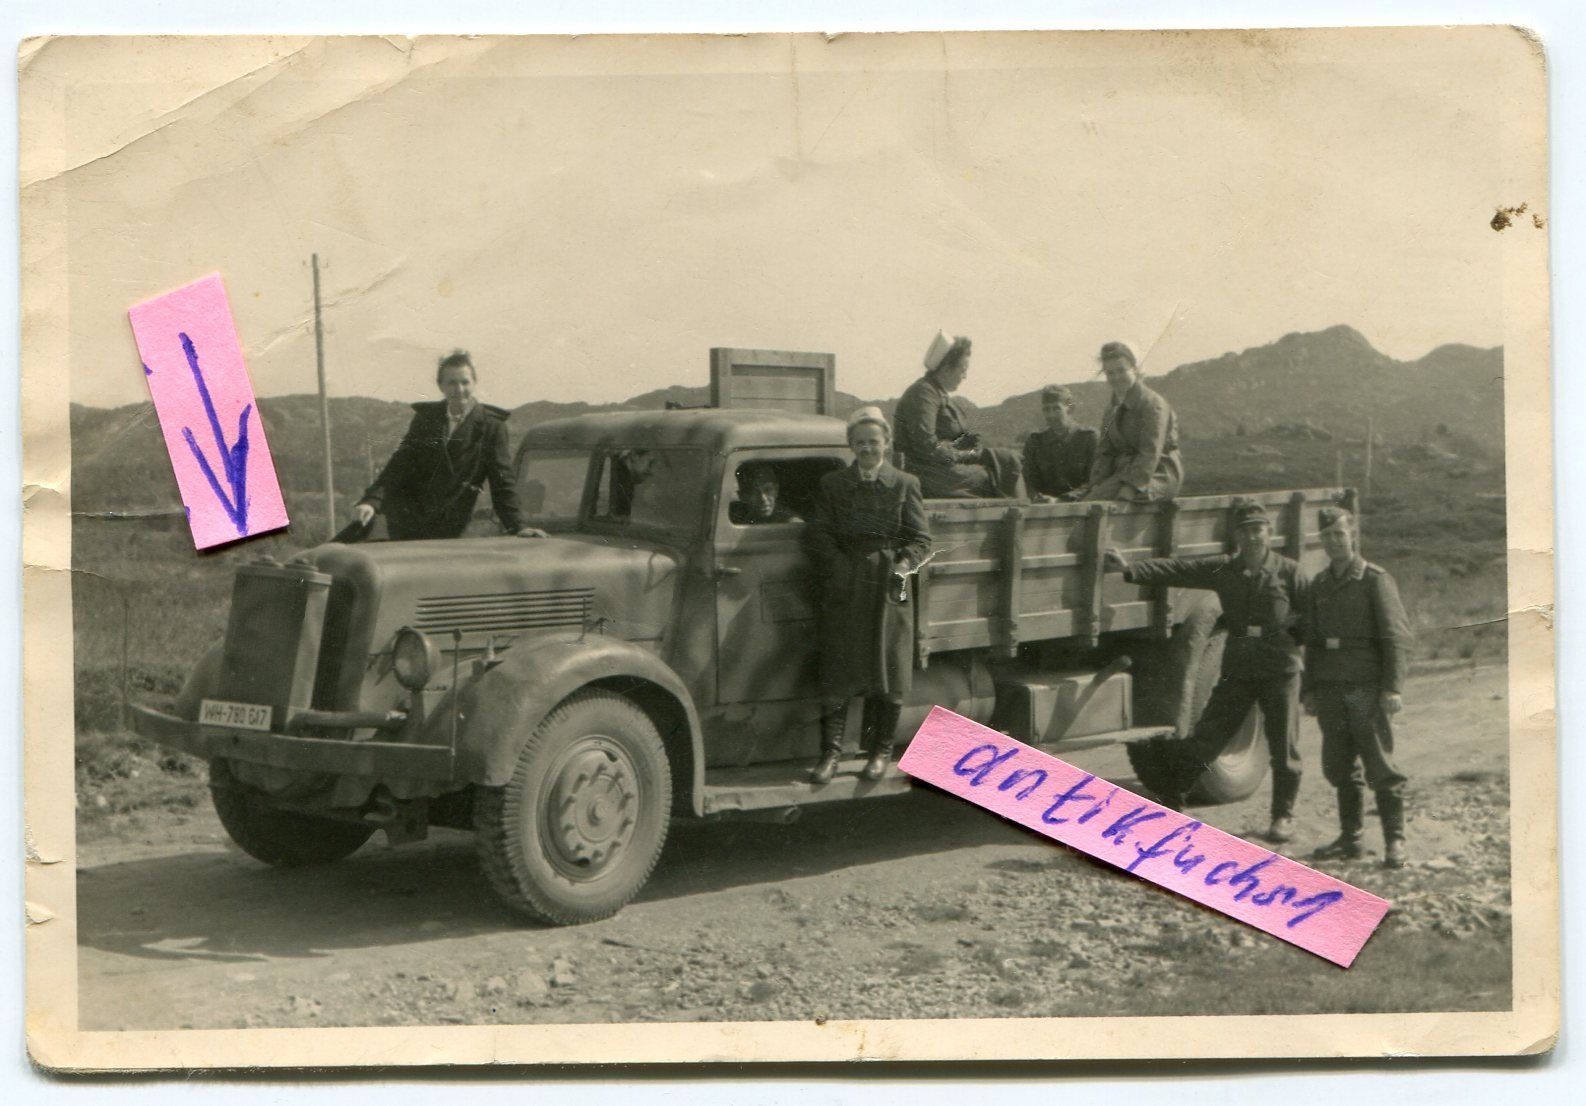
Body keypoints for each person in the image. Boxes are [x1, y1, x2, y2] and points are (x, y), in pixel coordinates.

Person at [1104, 498, 1307, 842]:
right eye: (1245, 531)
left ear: (1269, 532)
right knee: (1208, 737)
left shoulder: (1290, 572)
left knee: (1283, 745)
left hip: (1279, 669)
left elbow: (1310, 619)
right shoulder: (1226, 569)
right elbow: (1179, 570)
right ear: (1237, 536)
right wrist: (1130, 569)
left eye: (1258, 529)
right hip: (1239, 668)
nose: (1252, 537)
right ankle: (1172, 801)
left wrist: (1287, 647)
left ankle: (1282, 816)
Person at [803, 406, 931, 784]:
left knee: (887, 665)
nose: (867, 448)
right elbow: (818, 532)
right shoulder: (833, 484)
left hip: (890, 585)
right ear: (851, 446)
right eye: (860, 442)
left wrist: (903, 564)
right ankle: (831, 753)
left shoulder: (905, 484)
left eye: (874, 441)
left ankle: (880, 752)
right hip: (846, 581)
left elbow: (921, 539)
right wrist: (839, 567)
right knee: (838, 667)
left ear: (886, 443)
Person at [1301, 507, 1414, 869]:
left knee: (1379, 764)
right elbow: (1312, 642)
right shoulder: (1320, 584)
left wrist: (1392, 688)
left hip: (1365, 687)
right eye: (1327, 536)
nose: (1334, 542)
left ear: (1353, 536)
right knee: (1339, 766)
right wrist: (1309, 689)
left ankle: (1395, 841)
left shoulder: (1374, 579)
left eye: (1339, 534)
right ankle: (1351, 839)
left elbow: (1396, 637)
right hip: (1331, 687)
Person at [346, 350, 528, 541]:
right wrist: (371, 502)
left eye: (465, 382)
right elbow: (399, 466)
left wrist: (519, 527)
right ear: (441, 386)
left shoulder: (491, 426)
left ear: (474, 383)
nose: (459, 389)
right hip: (407, 522)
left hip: (452, 528)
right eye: (452, 383)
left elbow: (502, 483)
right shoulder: (426, 419)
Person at [893, 331, 1023, 498]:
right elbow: (927, 448)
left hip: (940, 468)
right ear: (947, 368)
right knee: (992, 475)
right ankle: (1022, 511)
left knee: (1008, 459)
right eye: (963, 370)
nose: (965, 376)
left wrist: (967, 443)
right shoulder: (923, 393)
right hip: (926, 474)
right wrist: (967, 454)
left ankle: (1024, 508)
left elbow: (946, 442)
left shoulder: (936, 393)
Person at [1079, 341, 1183, 501]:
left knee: (1105, 504)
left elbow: (1150, 451)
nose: (1116, 377)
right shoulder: (1111, 409)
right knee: (1089, 501)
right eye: (1110, 373)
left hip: (1158, 473)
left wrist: (1131, 487)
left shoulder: (1152, 404)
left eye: (1121, 371)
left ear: (1135, 369)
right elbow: (1105, 452)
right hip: (1124, 474)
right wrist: (1096, 483)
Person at [1021, 384, 1098, 498]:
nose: (1051, 415)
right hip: (1043, 505)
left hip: (1081, 503)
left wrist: (1064, 499)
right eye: (1046, 409)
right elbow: (1028, 481)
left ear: (1070, 409)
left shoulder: (1089, 438)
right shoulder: (1035, 441)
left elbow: (1095, 480)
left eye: (1057, 409)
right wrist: (1038, 497)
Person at [729, 462, 801, 525]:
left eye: (768, 490)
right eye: (753, 492)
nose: (763, 498)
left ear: (776, 490)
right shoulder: (749, 518)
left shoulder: (791, 523)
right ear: (742, 496)